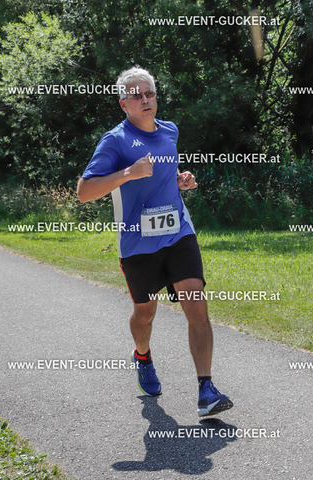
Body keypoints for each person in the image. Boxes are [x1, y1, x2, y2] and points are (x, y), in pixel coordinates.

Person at [77, 66, 233, 417]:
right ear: (124, 104)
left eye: (150, 93)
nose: (146, 100)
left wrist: (181, 180)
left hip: (178, 233)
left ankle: (206, 389)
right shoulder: (115, 140)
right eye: (137, 95)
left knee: (196, 304)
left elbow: (164, 175)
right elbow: (85, 192)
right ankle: (143, 356)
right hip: (138, 244)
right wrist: (128, 173)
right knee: (145, 313)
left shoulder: (170, 131)